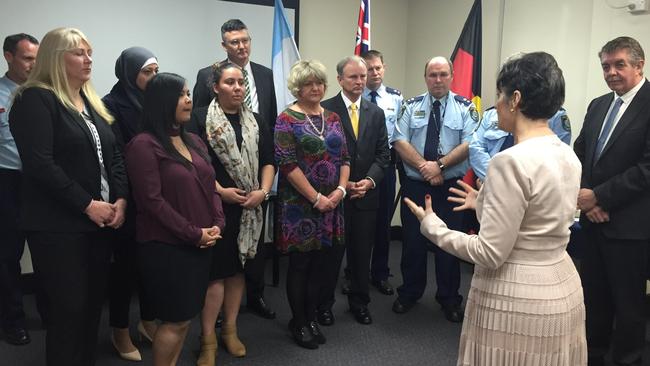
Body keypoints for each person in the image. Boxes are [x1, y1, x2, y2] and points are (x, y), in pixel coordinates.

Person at [405, 51, 587, 366]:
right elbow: (536, 218)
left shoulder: (509, 161)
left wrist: (433, 227)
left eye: (500, 96)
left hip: (516, 300)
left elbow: (490, 253)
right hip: (561, 289)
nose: (496, 104)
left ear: (515, 99)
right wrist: (484, 202)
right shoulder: (567, 155)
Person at [9, 27, 128, 366]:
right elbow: (40, 164)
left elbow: (115, 155)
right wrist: (87, 204)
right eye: (78, 52)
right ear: (54, 58)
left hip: (100, 222)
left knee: (91, 309)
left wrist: (121, 200)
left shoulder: (91, 100)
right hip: (58, 225)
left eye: (89, 52)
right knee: (69, 311)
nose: (88, 59)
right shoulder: (34, 98)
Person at [125, 72, 224, 366]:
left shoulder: (193, 140)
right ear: (162, 101)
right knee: (174, 320)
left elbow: (211, 186)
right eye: (182, 94)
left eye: (188, 93)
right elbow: (151, 202)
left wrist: (218, 223)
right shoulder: (143, 144)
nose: (189, 99)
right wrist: (194, 233)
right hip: (166, 247)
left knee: (185, 319)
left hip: (201, 243)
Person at [187, 61, 275, 365]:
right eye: (230, 83)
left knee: (239, 272)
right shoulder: (198, 119)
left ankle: (231, 331)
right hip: (215, 208)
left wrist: (262, 192)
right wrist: (219, 191)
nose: (237, 88)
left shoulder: (258, 121)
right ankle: (208, 338)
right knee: (216, 277)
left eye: (241, 83)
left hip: (251, 209)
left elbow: (268, 160)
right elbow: (191, 166)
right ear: (215, 87)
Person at [194, 18, 278, 320]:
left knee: (254, 250)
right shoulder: (207, 75)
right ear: (224, 46)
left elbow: (268, 124)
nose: (241, 46)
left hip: (256, 184)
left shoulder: (266, 75)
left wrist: (264, 189)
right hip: (219, 187)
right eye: (234, 42)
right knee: (221, 258)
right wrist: (217, 189)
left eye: (245, 40)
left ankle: (255, 296)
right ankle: (215, 315)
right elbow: (200, 133)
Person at [573, 36, 650, 366]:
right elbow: (579, 154)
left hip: (630, 228)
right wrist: (588, 198)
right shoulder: (598, 104)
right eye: (606, 65)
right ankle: (593, 354)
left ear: (638, 65)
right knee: (595, 298)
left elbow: (647, 167)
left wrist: (600, 196)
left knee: (629, 305)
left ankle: (627, 360)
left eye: (620, 64)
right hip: (592, 224)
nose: (612, 72)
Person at [391, 56, 478, 322]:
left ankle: (449, 298)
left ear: (451, 76)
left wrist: (439, 166)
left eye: (442, 74)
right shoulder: (410, 106)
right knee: (413, 244)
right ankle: (410, 293)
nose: (437, 80)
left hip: (452, 187)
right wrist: (425, 168)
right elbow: (399, 140)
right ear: (425, 77)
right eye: (432, 75)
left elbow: (471, 143)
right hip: (416, 186)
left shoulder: (466, 108)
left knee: (449, 244)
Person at [275, 60, 350, 349]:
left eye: (319, 82)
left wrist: (340, 191)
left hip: (333, 204)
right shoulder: (286, 118)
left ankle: (311, 316)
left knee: (322, 264)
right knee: (300, 264)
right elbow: (287, 163)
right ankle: (299, 321)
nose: (315, 88)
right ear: (298, 87)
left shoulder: (332, 118)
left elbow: (344, 157)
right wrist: (316, 198)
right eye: (309, 84)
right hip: (300, 206)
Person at [319, 55, 389, 326]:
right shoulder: (325, 110)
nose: (360, 81)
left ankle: (360, 303)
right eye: (354, 77)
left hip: (366, 196)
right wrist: (341, 184)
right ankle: (323, 305)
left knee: (361, 256)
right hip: (335, 196)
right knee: (331, 257)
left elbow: (383, 154)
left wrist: (369, 181)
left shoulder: (376, 112)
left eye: (363, 76)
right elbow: (319, 159)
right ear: (340, 80)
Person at [102, 46, 159, 361]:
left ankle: (148, 321)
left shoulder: (156, 103)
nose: (152, 78)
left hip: (158, 197)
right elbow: (117, 157)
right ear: (129, 72)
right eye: (146, 72)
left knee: (153, 263)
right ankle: (119, 330)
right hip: (130, 197)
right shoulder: (109, 106)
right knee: (125, 267)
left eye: (155, 72)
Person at [0, 32, 38, 347]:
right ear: (9, 57)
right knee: (9, 255)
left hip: (42, 184)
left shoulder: (44, 93)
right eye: (28, 58)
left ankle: (51, 312)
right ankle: (13, 321)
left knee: (48, 251)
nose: (34, 64)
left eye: (38, 58)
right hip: (9, 182)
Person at [361, 49, 403, 296]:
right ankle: (354, 274)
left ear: (384, 68)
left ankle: (380, 273)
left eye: (378, 67)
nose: (374, 73)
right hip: (359, 168)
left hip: (386, 167)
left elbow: (400, 135)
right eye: (369, 69)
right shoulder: (356, 97)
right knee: (358, 225)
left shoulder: (396, 98)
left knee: (383, 224)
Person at [470, 106, 571, 182]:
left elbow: (557, 159)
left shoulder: (555, 114)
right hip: (487, 183)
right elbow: (476, 148)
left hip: (531, 189)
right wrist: (494, 178)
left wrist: (503, 184)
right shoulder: (491, 113)